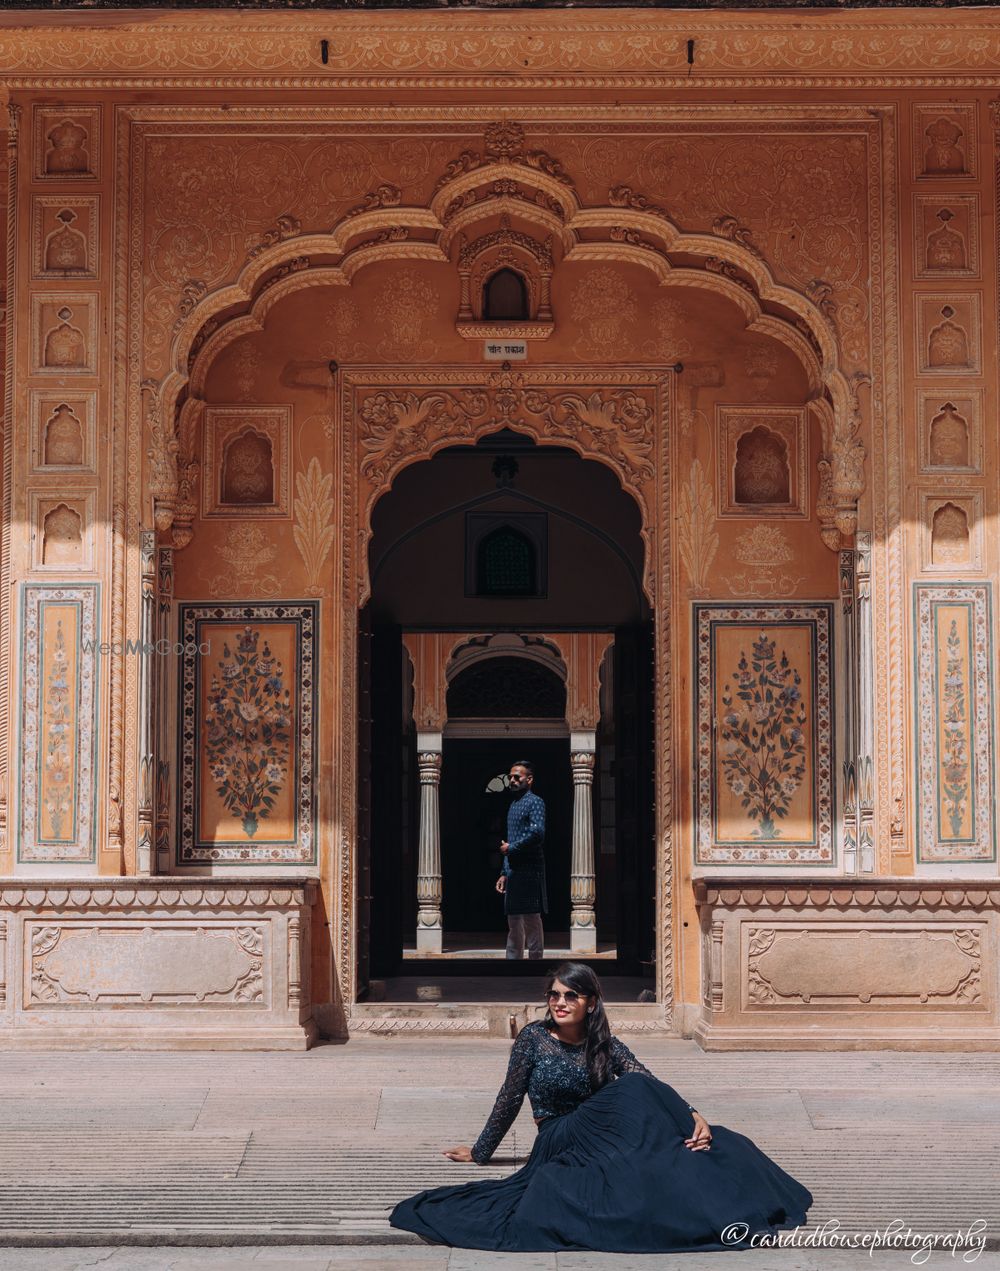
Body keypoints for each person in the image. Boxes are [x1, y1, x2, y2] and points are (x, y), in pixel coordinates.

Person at [390, 962, 812, 1253]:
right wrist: (480, 1151)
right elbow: (509, 1097)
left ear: (590, 1002)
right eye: (554, 995)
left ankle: (696, 1159)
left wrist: (694, 1114)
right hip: (560, 1136)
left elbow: (646, 1079)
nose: (560, 1003)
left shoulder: (604, 1045)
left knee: (692, 1132)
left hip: (602, 1138)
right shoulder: (533, 1040)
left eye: (571, 996)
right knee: (630, 1089)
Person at [495, 759, 546, 960]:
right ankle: (512, 963)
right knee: (514, 919)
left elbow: (538, 834)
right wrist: (504, 873)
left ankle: (535, 963)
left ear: (529, 779)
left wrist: (512, 847)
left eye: (518, 777)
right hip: (514, 870)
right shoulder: (513, 805)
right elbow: (510, 841)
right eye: (511, 777)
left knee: (532, 917)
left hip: (530, 869)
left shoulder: (535, 802)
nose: (513, 780)